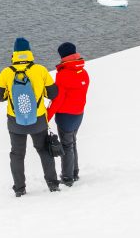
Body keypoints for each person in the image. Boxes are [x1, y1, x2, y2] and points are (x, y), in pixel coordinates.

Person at [0, 37, 60, 196]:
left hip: (16, 122)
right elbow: (53, 93)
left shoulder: (7, 72)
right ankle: (53, 184)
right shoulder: (40, 70)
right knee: (44, 151)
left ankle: (20, 189)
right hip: (38, 120)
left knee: (17, 155)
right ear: (29, 52)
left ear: (14, 54)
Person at [46, 41, 90, 187]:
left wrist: (46, 116)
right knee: (72, 142)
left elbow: (57, 100)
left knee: (67, 145)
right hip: (79, 113)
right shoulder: (83, 72)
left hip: (66, 116)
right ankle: (74, 172)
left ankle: (67, 177)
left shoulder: (63, 75)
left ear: (62, 56)